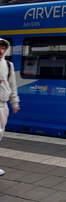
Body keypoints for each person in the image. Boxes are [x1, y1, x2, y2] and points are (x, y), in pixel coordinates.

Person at [0, 38, 20, 176]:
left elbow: (12, 85)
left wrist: (15, 103)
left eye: (3, 48)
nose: (1, 50)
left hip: (2, 106)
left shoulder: (8, 65)